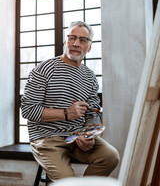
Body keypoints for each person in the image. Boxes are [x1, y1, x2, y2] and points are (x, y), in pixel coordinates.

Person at [21, 21, 119, 181]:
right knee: (68, 181)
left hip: (77, 136)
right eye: (72, 38)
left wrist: (89, 134)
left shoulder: (89, 76)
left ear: (89, 47)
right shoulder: (43, 70)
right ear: (65, 41)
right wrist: (66, 113)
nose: (76, 43)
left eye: (83, 40)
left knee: (111, 157)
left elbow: (94, 110)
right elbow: (27, 110)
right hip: (46, 138)